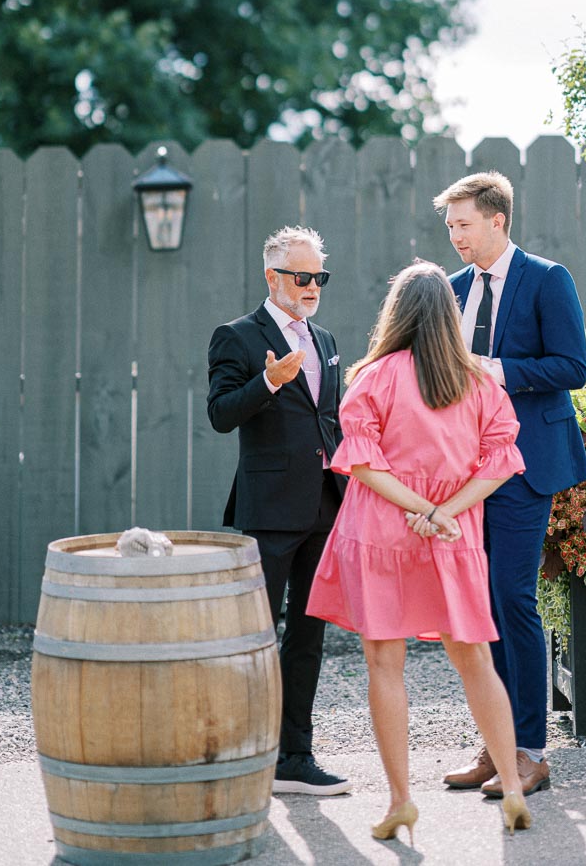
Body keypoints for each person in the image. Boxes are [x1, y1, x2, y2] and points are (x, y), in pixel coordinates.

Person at [306, 261, 531, 841]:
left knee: (385, 664)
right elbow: (501, 462)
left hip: (381, 532)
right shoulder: (479, 381)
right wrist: (443, 512)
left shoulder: (374, 376)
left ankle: (401, 800)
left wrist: (419, 509)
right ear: (451, 317)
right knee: (475, 660)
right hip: (452, 536)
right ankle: (511, 786)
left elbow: (360, 461)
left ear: (397, 314)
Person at [433, 171, 586, 798]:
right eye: (450, 226)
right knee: (479, 605)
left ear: (497, 220)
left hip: (527, 466)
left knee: (512, 599)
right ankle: (497, 745)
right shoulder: (451, 289)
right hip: (466, 471)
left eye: (464, 224)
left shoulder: (548, 279)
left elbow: (572, 366)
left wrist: (494, 370)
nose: (455, 236)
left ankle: (530, 752)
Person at [207, 225, 350, 796]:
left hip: (324, 506)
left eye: (320, 276)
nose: (313, 286)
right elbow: (220, 414)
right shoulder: (237, 336)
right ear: (273, 277)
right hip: (268, 511)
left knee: (308, 637)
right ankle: (244, 755)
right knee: (255, 635)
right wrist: (268, 380)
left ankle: (295, 756)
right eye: (302, 276)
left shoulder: (326, 339)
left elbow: (329, 420)